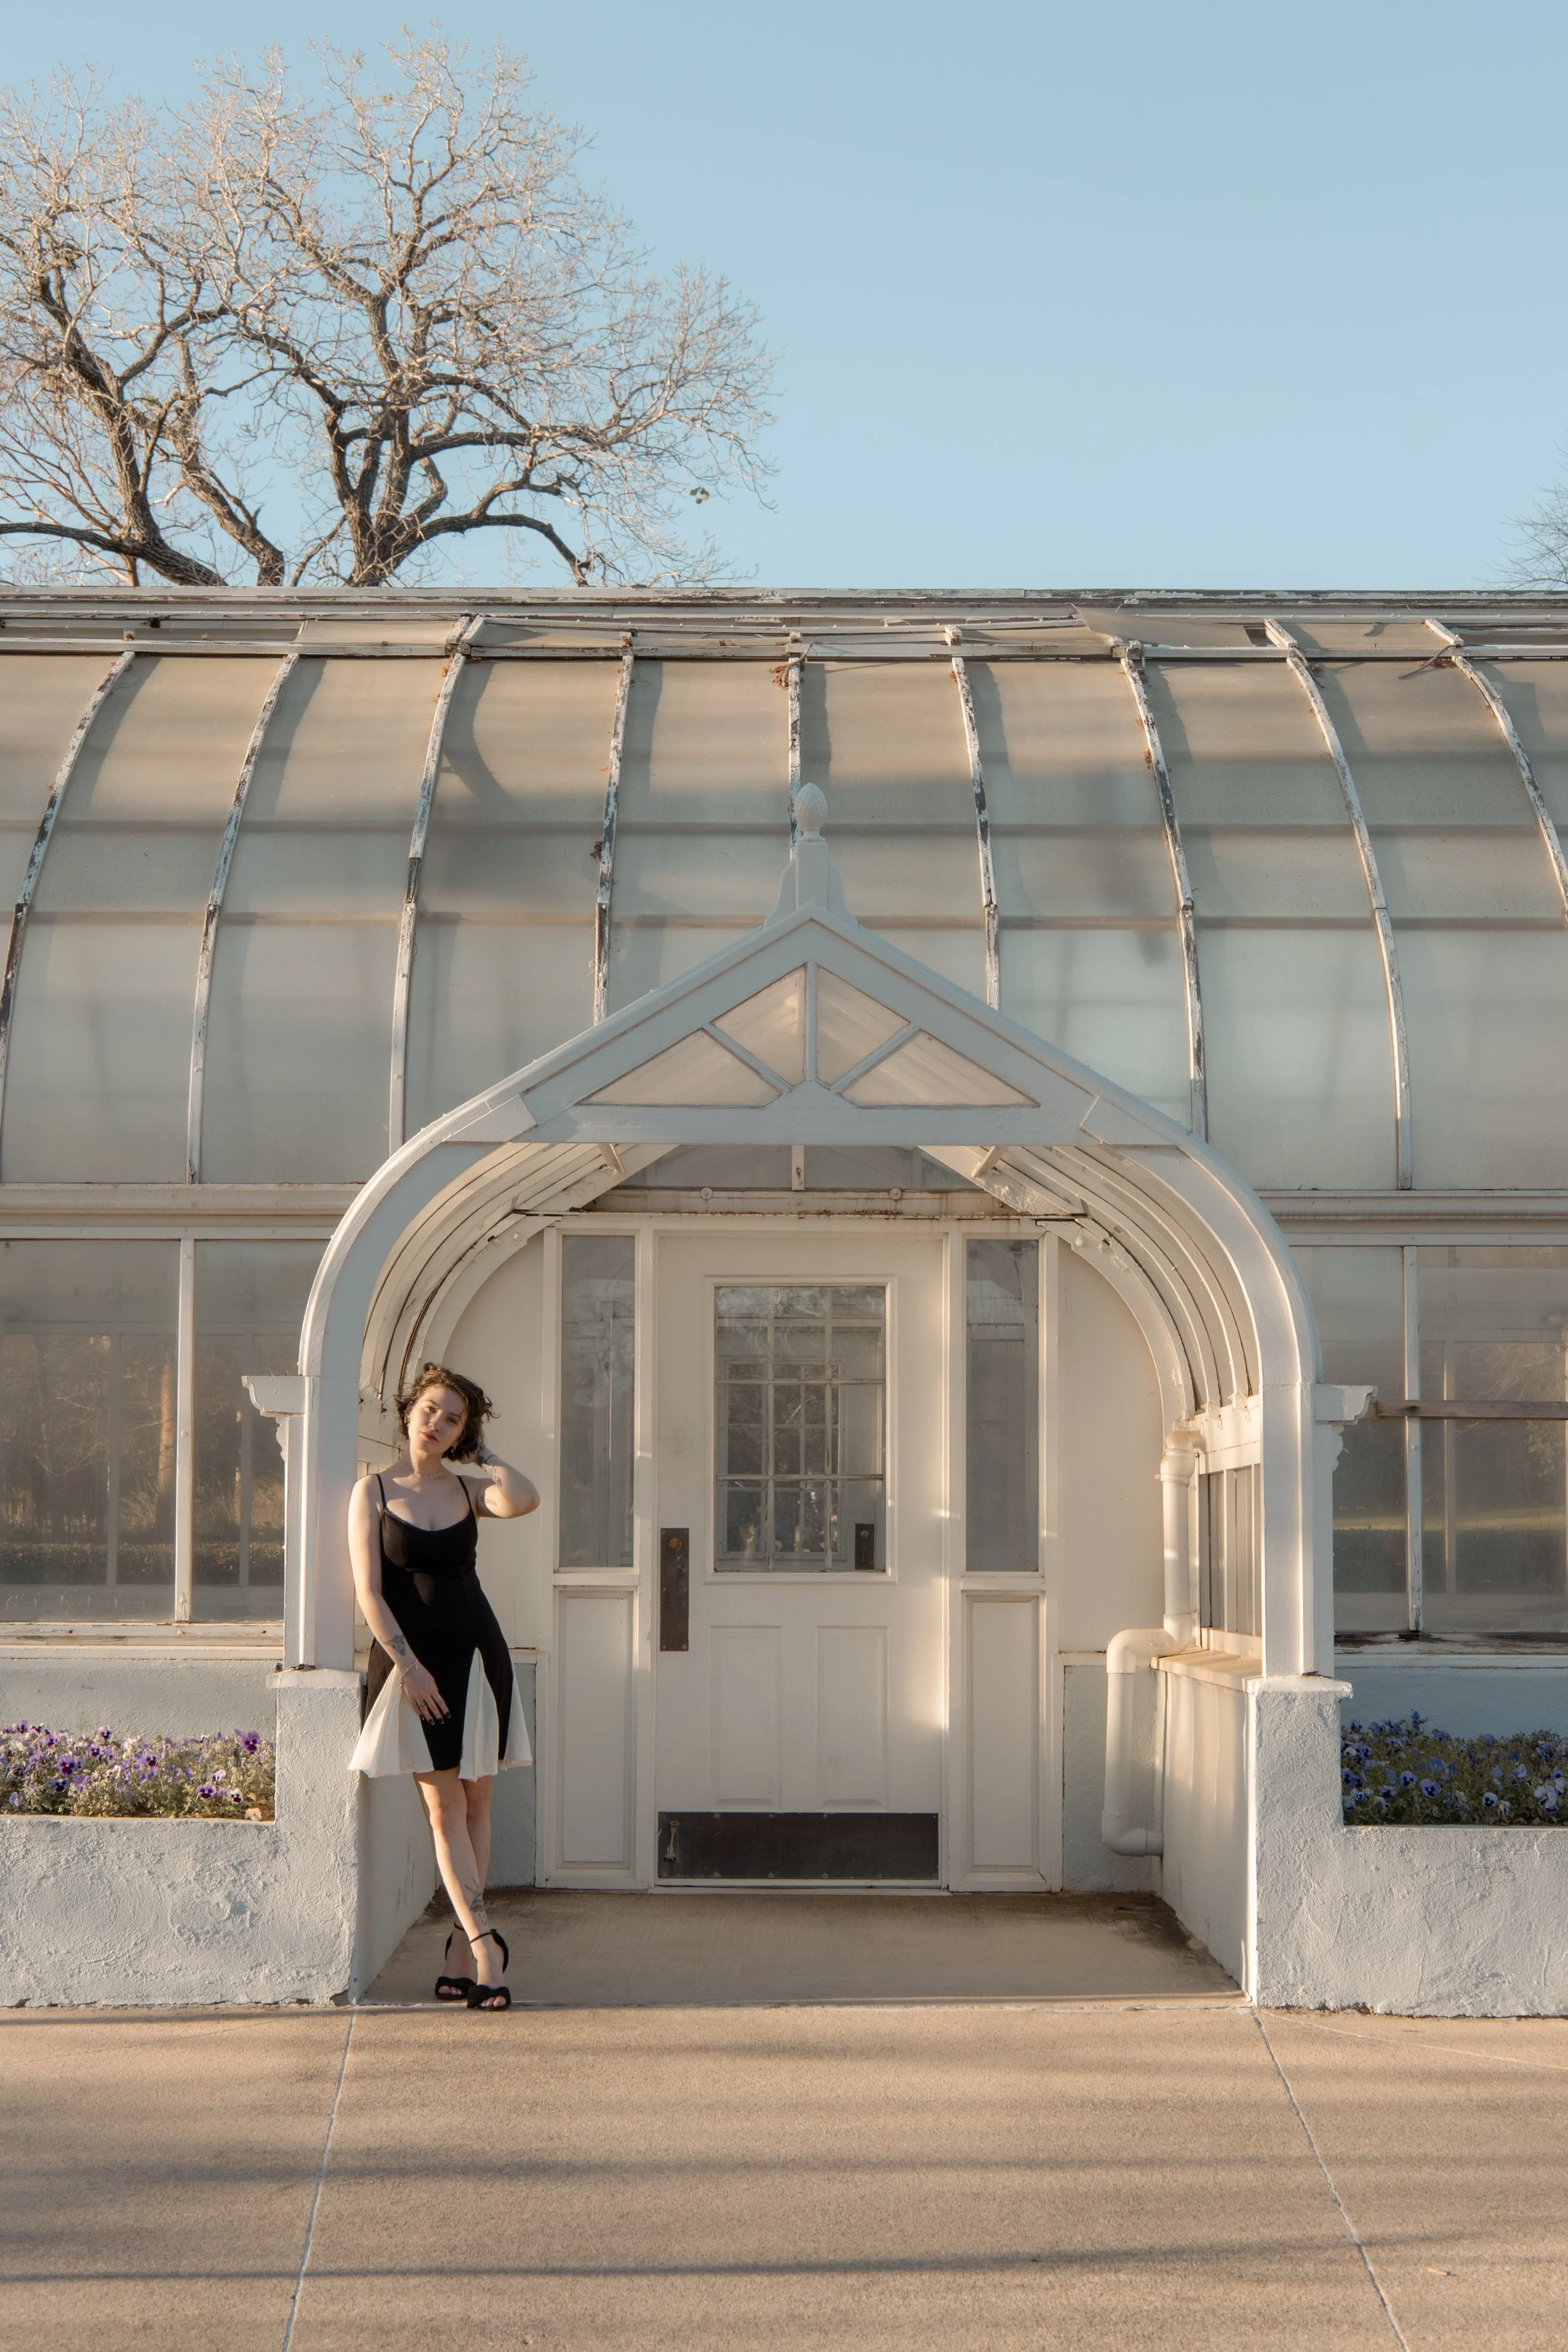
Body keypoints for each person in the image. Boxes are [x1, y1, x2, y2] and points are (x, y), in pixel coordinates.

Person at [347, 1364, 539, 2011]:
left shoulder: (466, 1488)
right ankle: (487, 1942)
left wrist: (481, 1453)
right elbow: (370, 1594)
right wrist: (408, 1664)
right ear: (408, 1412)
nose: (437, 1423)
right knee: (442, 1808)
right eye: (430, 1409)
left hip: (478, 1658)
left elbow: (523, 1498)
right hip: (418, 1667)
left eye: (453, 1418)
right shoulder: (371, 1491)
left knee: (478, 1807)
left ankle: (461, 1947)